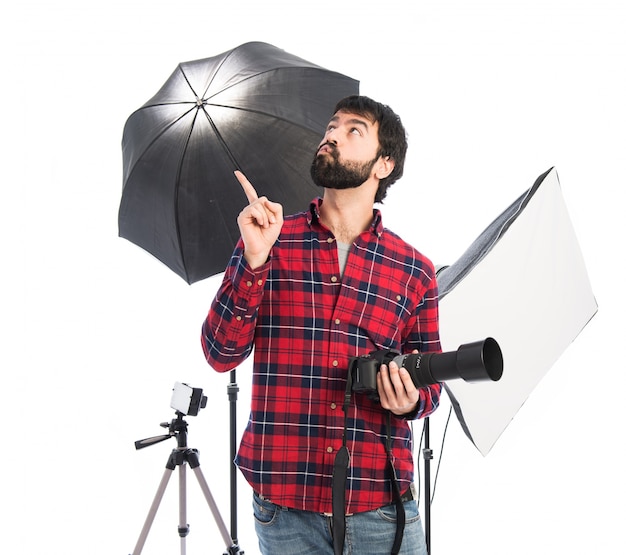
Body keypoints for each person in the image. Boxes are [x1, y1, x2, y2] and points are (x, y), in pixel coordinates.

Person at [201, 95, 441, 555]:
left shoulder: (415, 271)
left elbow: (430, 384)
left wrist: (411, 399)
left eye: (353, 130)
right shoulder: (271, 240)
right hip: (285, 507)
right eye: (331, 126)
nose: (331, 135)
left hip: (381, 504)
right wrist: (253, 260)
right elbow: (219, 353)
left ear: (384, 164)